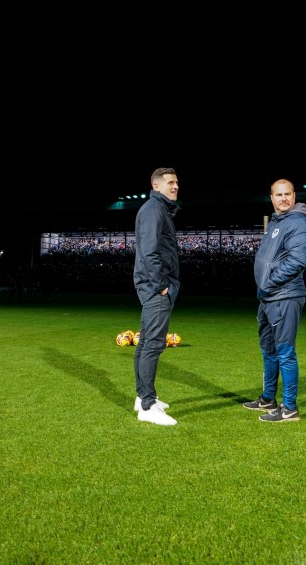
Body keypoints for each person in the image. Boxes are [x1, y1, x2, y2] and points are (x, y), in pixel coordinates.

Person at [244, 178, 306, 422]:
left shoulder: (297, 221)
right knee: (269, 350)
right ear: (271, 197)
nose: (283, 198)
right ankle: (268, 398)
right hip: (269, 298)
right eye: (278, 194)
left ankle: (290, 407)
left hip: (285, 296)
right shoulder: (277, 222)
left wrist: (268, 283)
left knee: (285, 352)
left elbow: (297, 261)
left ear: (294, 195)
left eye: (287, 194)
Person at [132, 167, 181, 426]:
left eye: (177, 183)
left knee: (145, 343)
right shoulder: (153, 210)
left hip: (152, 285)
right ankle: (148, 406)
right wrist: (162, 284)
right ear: (156, 186)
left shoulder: (158, 210)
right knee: (153, 344)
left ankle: (143, 398)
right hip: (156, 287)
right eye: (170, 182)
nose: (175, 187)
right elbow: (150, 252)